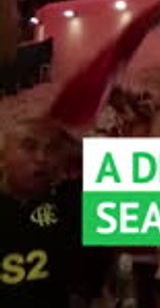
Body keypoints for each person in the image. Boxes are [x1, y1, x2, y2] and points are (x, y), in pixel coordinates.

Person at [1, 118, 111, 308]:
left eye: (52, 149)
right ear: (2, 155)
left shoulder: (74, 201)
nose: (42, 158)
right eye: (29, 146)